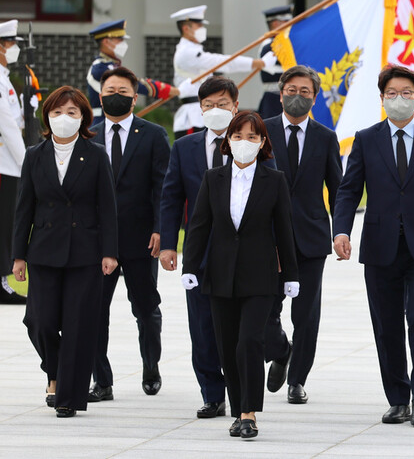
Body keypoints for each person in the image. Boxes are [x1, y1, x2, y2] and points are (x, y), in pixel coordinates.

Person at [332, 65, 414, 428]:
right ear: (382, 98)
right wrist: (341, 230)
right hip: (380, 245)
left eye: (406, 93)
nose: (399, 100)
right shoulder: (366, 138)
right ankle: (398, 397)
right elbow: (348, 190)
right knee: (386, 323)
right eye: (391, 93)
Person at [181, 111, 300, 440]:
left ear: (262, 143)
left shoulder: (274, 180)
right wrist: (190, 267)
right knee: (228, 345)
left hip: (260, 275)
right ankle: (238, 409)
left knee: (250, 341)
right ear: (227, 141)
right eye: (237, 136)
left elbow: (284, 230)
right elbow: (199, 226)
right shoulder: (213, 179)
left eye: (252, 137)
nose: (243, 142)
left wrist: (291, 274)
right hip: (219, 275)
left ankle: (249, 413)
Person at [11, 86, 119, 418]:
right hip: (43, 250)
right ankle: (55, 370)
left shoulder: (96, 153)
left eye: (72, 112)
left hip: (85, 252)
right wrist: (18, 255)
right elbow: (23, 207)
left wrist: (110, 252)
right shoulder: (35, 154)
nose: (64, 118)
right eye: (57, 112)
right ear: (47, 117)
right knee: (39, 322)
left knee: (78, 324)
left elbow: (108, 208)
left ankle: (68, 396)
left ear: (84, 117)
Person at [159, 76, 244, 418]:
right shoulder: (185, 147)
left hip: (243, 249)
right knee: (202, 325)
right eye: (208, 105)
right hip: (199, 250)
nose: (215, 110)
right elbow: (170, 197)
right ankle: (212, 393)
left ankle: (242, 387)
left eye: (222, 104)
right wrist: (168, 244)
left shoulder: (251, 142)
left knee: (242, 324)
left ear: (235, 106)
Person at [88, 67, 170, 402]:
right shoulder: (88, 135)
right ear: (100, 95)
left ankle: (151, 364)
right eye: (110, 89)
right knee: (93, 310)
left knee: (146, 308)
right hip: (97, 241)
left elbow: (163, 186)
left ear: (135, 98)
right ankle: (101, 381)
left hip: (141, 239)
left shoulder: (152, 134)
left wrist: (160, 229)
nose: (115, 95)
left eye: (123, 90)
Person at [262, 65, 343, 404]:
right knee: (265, 308)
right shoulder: (260, 131)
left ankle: (297, 379)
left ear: (315, 97)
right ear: (281, 93)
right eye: (292, 90)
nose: (298, 96)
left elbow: (338, 188)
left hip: (310, 237)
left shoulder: (325, 137)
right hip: (265, 237)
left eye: (305, 91)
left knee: (306, 313)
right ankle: (281, 350)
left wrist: (341, 232)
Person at [170, 5, 266, 138]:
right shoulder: (187, 52)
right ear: (186, 28)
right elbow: (222, 63)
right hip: (193, 118)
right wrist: (255, 63)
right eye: (199, 25)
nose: (202, 29)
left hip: (205, 114)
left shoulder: (193, 49)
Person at [85, 19, 178, 121]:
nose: (123, 43)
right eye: (120, 39)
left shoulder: (111, 65)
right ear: (106, 42)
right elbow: (132, 83)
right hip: (103, 122)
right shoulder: (101, 67)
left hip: (114, 119)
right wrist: (166, 90)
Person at [0, 19, 26, 304]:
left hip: (9, 162)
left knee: (8, 223)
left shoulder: (4, 77)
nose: (15, 48)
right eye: (11, 44)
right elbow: (6, 124)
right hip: (5, 163)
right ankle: (2, 281)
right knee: (5, 224)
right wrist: (26, 162)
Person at [256, 5, 292, 120]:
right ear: (276, 24)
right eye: (287, 21)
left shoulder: (285, 43)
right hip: (275, 100)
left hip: (287, 98)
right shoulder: (271, 45)